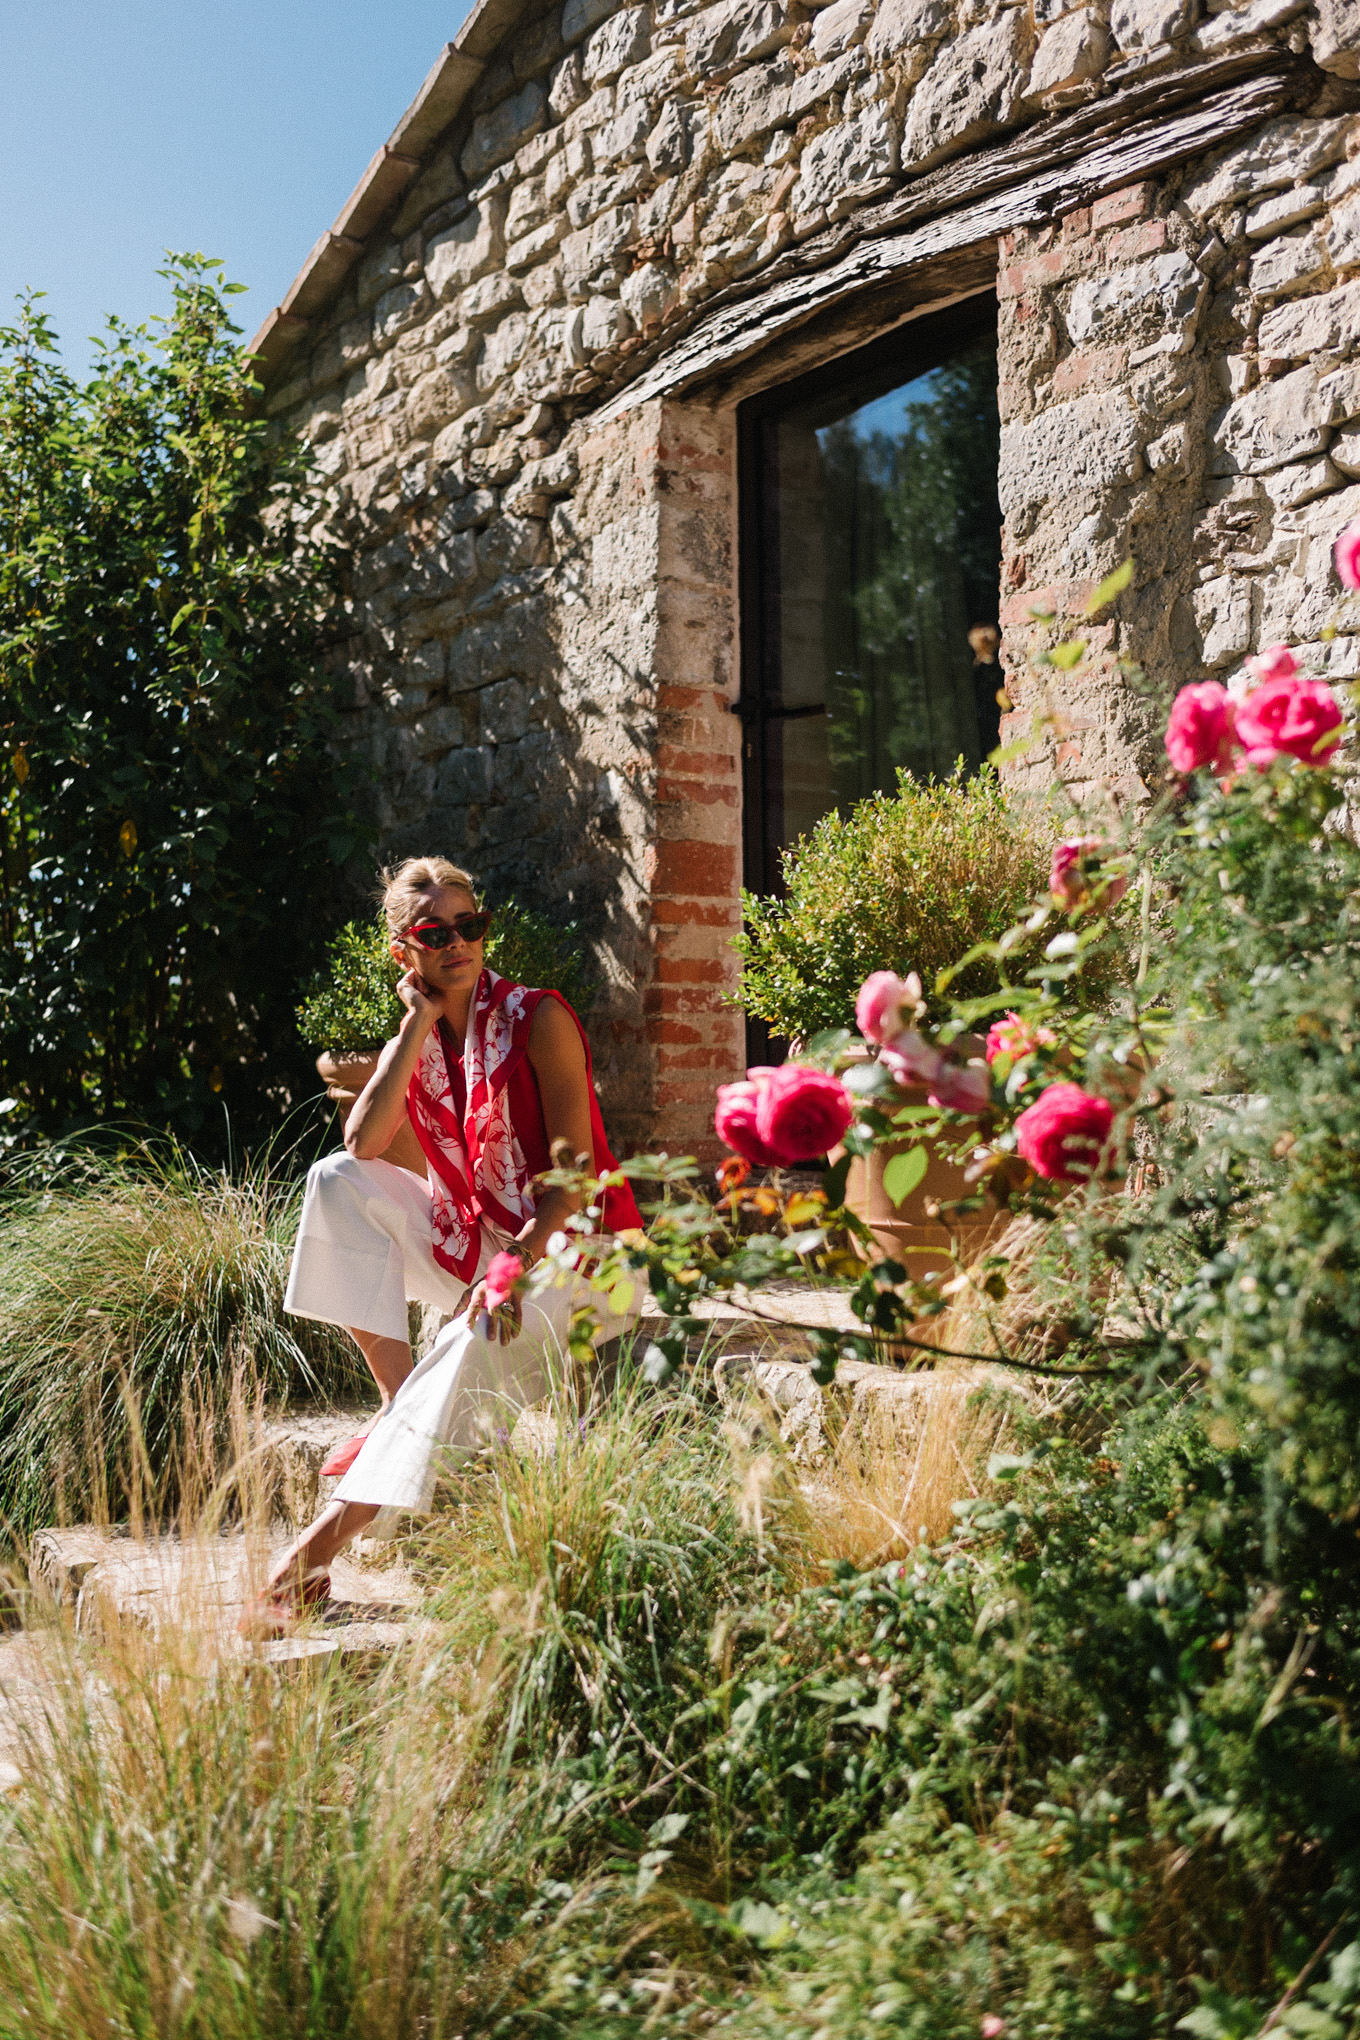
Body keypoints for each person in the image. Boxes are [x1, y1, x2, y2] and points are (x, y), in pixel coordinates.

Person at [240, 856, 643, 1634]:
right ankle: (401, 1404)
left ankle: (312, 1553)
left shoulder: (540, 1018)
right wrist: (415, 1025)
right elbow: (363, 1143)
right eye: (435, 932)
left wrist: (512, 1264)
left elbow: (575, 1174)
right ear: (405, 952)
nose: (458, 942)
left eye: (470, 925)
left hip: (579, 1249)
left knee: (475, 1330)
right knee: (334, 1180)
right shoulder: (420, 1034)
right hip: (480, 1234)